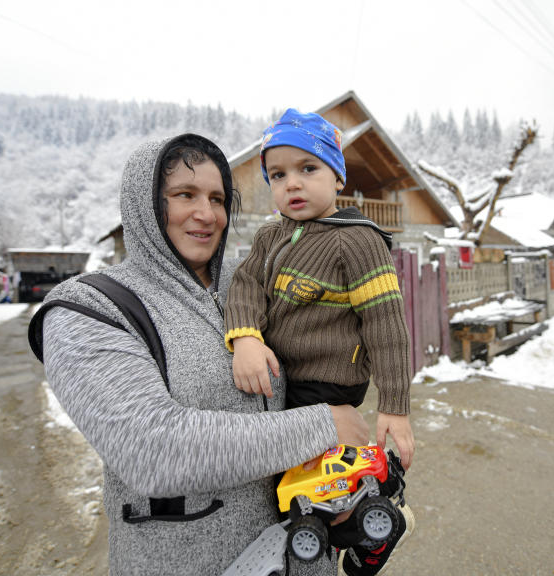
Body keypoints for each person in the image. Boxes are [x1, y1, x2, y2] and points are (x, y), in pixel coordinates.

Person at [28, 133, 367, 575]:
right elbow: (150, 448)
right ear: (143, 204)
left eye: (217, 198)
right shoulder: (88, 309)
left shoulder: (252, 283)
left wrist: (334, 480)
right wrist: (322, 426)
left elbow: (316, 364)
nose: (206, 215)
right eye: (184, 195)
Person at [224, 109, 414, 574]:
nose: (292, 183)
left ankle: (371, 533)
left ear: (336, 174)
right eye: (278, 174)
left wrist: (395, 405)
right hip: (284, 381)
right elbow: (245, 286)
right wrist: (246, 337)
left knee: (311, 487)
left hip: (327, 383)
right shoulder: (271, 236)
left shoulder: (357, 241)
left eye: (308, 169)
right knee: (294, 485)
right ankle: (351, 528)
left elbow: (385, 325)